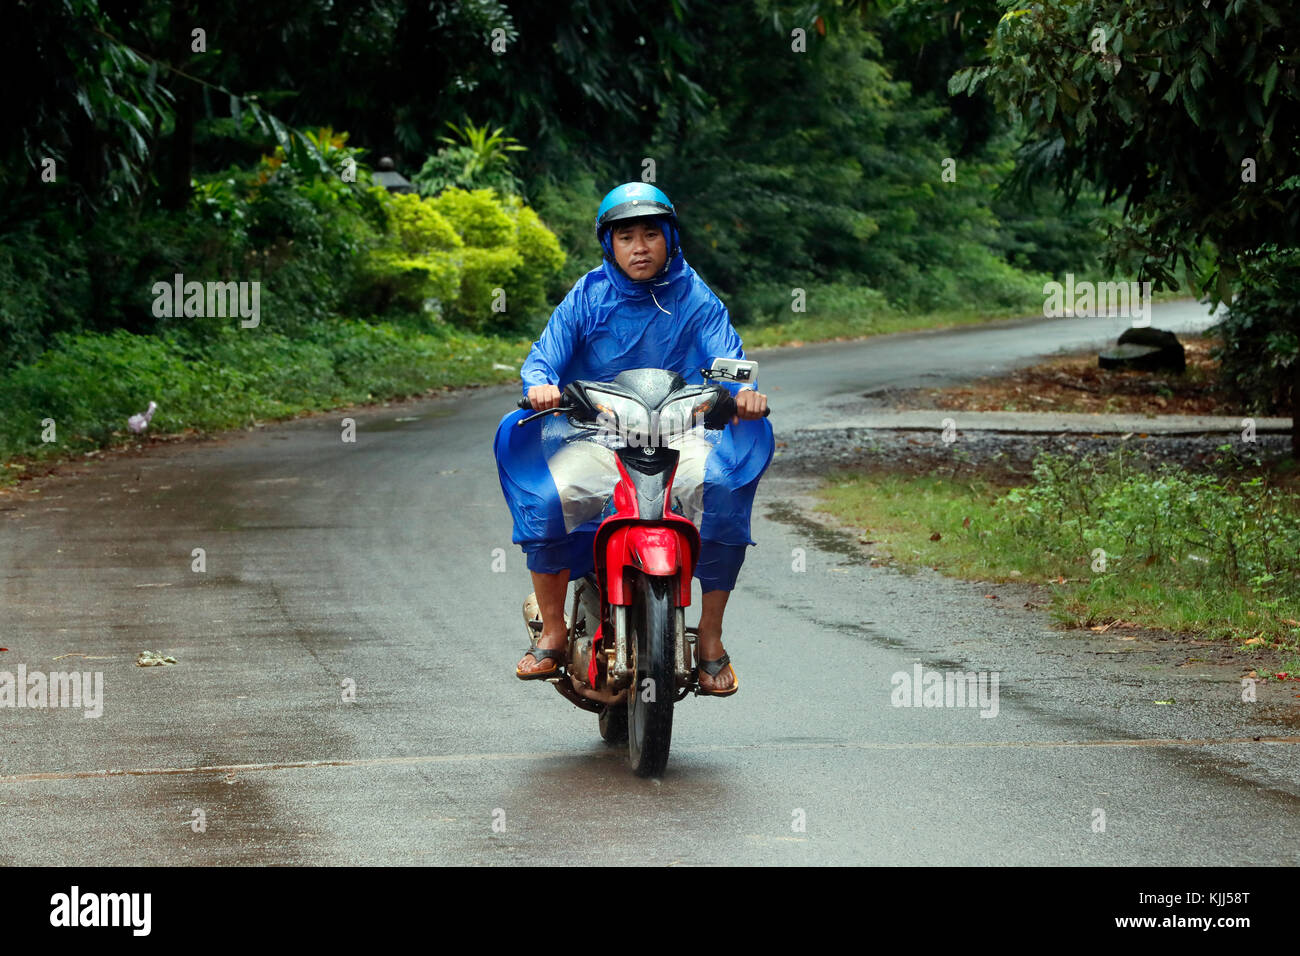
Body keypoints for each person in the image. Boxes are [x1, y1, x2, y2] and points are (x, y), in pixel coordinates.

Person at [492, 182, 772, 695]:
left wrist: (744, 392)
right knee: (549, 498)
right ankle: (553, 632)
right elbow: (544, 357)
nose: (639, 247)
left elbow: (728, 361)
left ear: (670, 238)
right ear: (609, 245)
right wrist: (540, 387)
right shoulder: (588, 295)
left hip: (683, 432)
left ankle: (710, 639)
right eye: (626, 237)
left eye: (650, 234)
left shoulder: (695, 295)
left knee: (724, 493)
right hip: (598, 433)